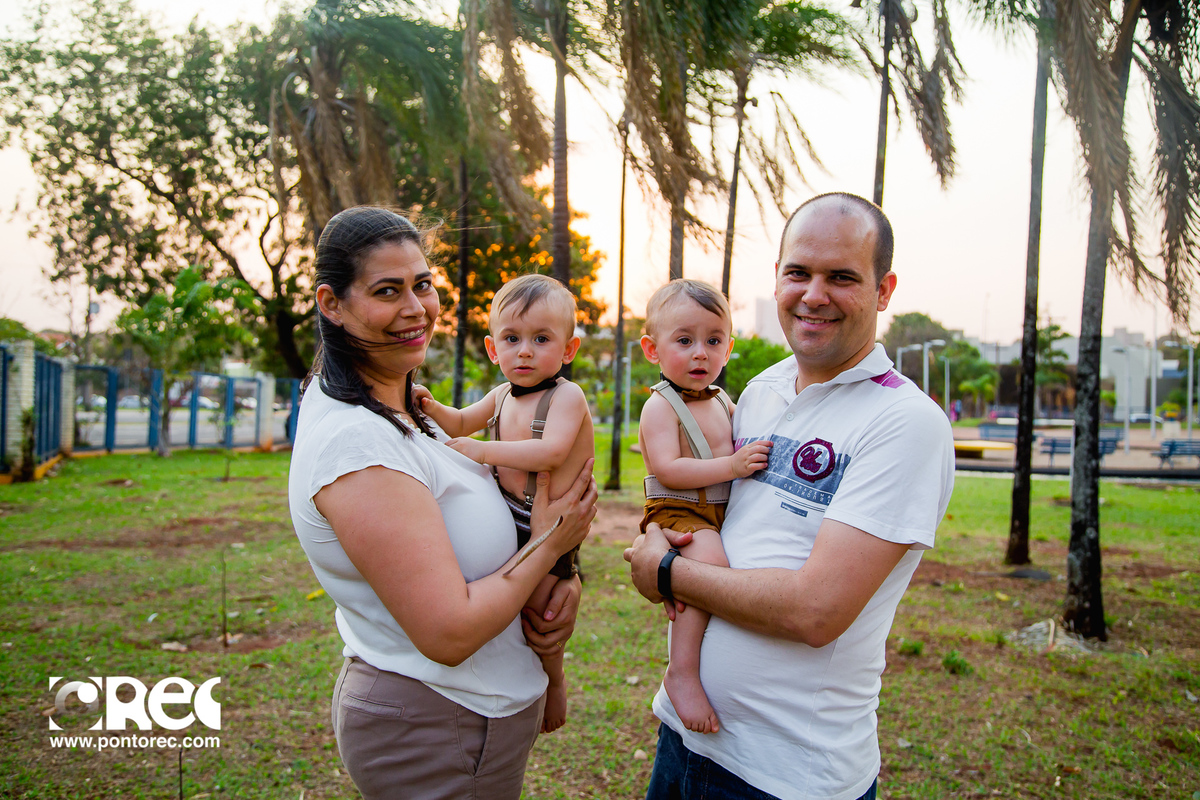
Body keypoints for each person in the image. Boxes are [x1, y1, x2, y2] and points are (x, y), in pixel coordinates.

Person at [624, 192, 955, 800]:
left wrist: (666, 571)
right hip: (684, 742)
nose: (814, 295)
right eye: (798, 273)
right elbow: (710, 501)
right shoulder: (759, 391)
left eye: (842, 277)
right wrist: (659, 533)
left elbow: (815, 611)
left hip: (786, 777)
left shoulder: (906, 422)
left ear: (883, 290)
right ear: (777, 277)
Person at [288, 207, 597, 800]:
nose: (416, 308)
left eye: (423, 285)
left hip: (472, 718)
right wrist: (551, 544)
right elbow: (449, 632)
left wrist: (561, 579)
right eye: (387, 291)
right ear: (332, 304)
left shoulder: (402, 410)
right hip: (438, 725)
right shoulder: (358, 442)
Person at [416, 273, 595, 733]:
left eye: (541, 339)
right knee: (496, 596)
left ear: (568, 349)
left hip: (548, 521)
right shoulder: (500, 396)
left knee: (539, 609)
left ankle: (554, 678)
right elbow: (460, 423)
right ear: (493, 349)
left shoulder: (566, 396)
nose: (525, 351)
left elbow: (551, 452)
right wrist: (433, 409)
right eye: (512, 339)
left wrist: (483, 451)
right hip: (507, 511)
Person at [636, 279, 772, 734]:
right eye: (684, 341)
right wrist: (732, 466)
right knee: (708, 566)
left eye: (713, 341)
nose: (700, 353)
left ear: (728, 349)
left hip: (716, 510)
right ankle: (681, 670)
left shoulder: (721, 401)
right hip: (678, 509)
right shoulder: (661, 407)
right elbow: (669, 468)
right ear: (652, 350)